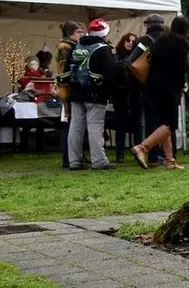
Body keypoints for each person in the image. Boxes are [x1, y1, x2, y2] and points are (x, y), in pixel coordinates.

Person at [132, 16, 189, 170]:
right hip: (168, 89)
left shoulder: (161, 40)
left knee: (163, 123)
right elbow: (179, 71)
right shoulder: (180, 44)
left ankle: (170, 160)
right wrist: (182, 90)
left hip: (152, 87)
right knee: (171, 124)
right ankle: (142, 148)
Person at [66, 18, 119, 171]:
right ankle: (99, 161)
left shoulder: (77, 46)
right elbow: (110, 73)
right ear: (104, 34)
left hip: (77, 93)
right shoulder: (103, 49)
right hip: (96, 94)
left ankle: (74, 161)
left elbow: (68, 70)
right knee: (95, 127)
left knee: (76, 127)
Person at [129, 14, 167, 166]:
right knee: (167, 123)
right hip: (166, 86)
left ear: (148, 25)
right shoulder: (169, 40)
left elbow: (131, 61)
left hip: (148, 86)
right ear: (162, 25)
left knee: (152, 122)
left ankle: (153, 156)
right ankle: (169, 156)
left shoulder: (143, 41)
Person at [55, 21, 83, 169]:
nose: (81, 34)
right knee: (72, 124)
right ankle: (68, 157)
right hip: (68, 88)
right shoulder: (65, 47)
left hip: (69, 87)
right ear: (70, 33)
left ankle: (73, 156)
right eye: (78, 32)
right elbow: (65, 69)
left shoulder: (71, 46)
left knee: (74, 123)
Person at [112, 32, 141, 163]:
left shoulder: (138, 55)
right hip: (120, 93)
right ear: (123, 41)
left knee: (137, 123)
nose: (130, 43)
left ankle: (139, 151)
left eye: (133, 41)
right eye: (128, 40)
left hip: (135, 93)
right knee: (121, 124)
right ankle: (120, 154)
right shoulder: (116, 54)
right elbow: (114, 69)